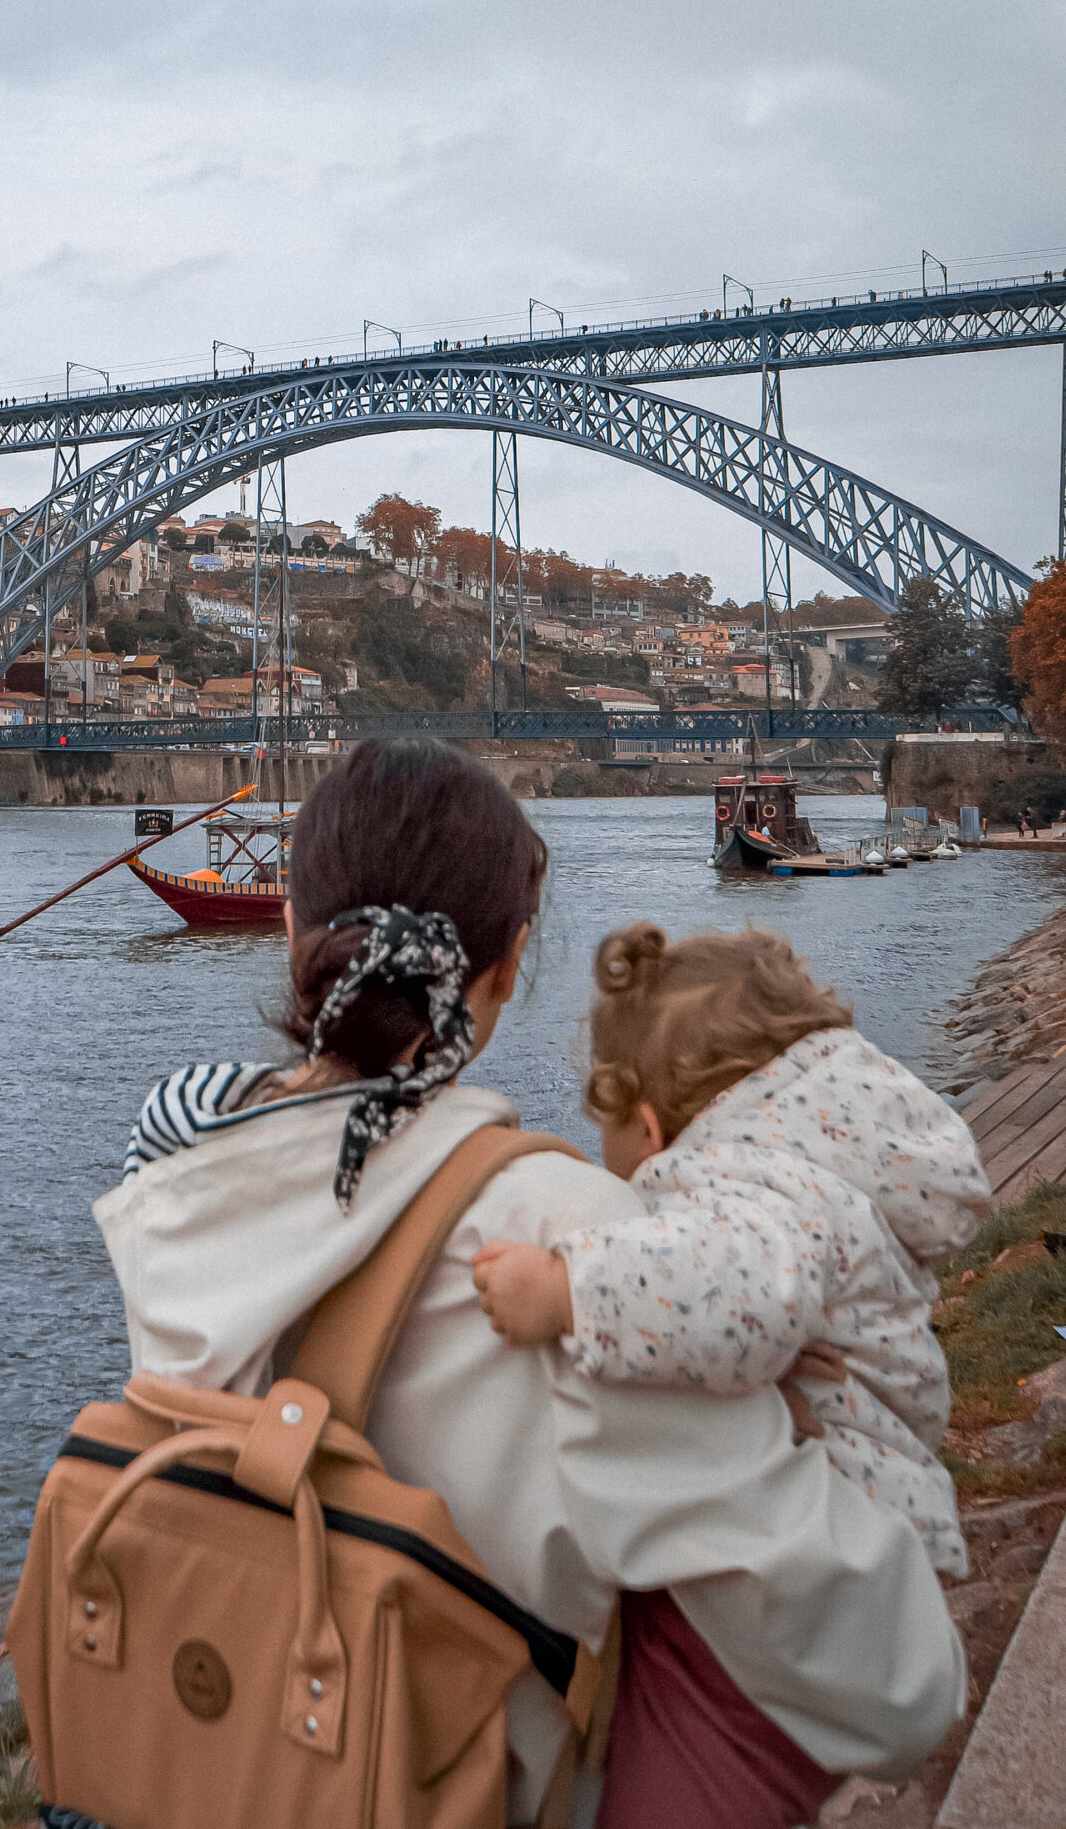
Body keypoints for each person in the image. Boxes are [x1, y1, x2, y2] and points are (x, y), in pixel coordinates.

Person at [95, 740, 963, 1829]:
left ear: (289, 932)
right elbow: (890, 1691)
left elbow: (260, 1121)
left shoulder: (168, 1176)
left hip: (215, 1750)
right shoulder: (579, 1245)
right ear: (507, 963)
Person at [471, 921, 986, 1576]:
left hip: (824, 1541)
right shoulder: (823, 1164)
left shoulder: (754, 1187)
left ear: (648, 1129)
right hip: (885, 1519)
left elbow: (727, 1290)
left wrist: (560, 1287)